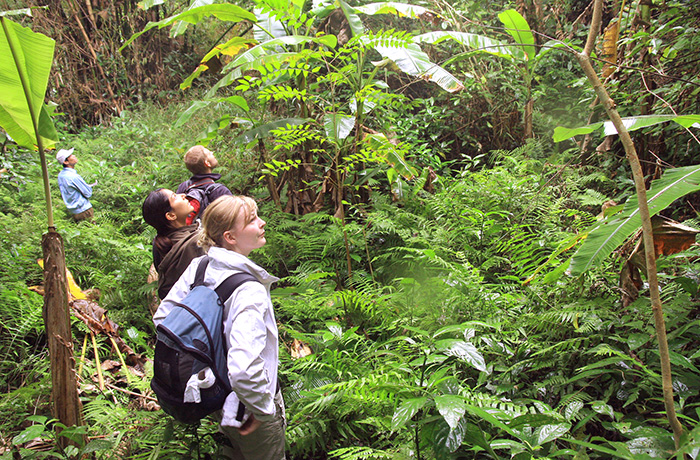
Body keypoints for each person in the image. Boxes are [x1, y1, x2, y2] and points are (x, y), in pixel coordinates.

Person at [153, 195, 285, 460]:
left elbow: (163, 320)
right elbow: (245, 369)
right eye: (252, 220)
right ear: (230, 237)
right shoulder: (249, 291)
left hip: (216, 395)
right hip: (247, 406)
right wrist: (261, 410)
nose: (262, 223)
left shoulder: (199, 266)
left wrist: (207, 364)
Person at [142, 188, 205, 300]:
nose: (183, 195)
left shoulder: (159, 242)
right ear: (171, 216)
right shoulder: (195, 243)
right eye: (174, 197)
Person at [176, 145, 233, 225]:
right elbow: (233, 216)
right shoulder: (219, 191)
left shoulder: (183, 187)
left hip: (188, 234)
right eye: (209, 153)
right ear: (207, 163)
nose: (212, 152)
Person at [56, 148, 95, 222]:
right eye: (70, 155)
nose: (73, 155)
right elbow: (88, 193)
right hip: (84, 210)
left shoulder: (61, 175)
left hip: (74, 211)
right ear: (66, 162)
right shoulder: (73, 177)